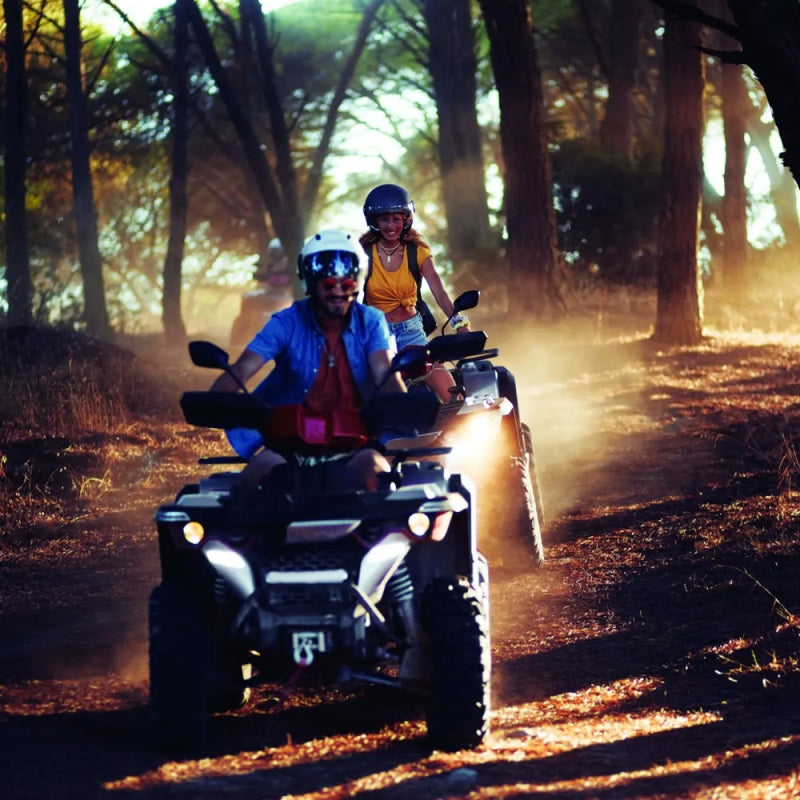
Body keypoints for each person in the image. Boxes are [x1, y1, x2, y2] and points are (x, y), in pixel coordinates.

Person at [211, 229, 405, 491]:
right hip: (287, 442)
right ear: (310, 283)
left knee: (381, 482)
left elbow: (384, 371)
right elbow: (243, 368)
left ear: (357, 282)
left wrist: (403, 403)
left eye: (346, 283)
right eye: (328, 284)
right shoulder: (285, 322)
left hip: (356, 442)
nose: (338, 291)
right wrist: (215, 400)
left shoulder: (371, 321)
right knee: (248, 486)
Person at [359, 183, 470, 402]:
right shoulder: (363, 254)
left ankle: (455, 431)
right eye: (384, 219)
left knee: (450, 391)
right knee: (374, 394)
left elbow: (439, 291)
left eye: (396, 219)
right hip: (377, 335)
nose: (391, 225)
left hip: (412, 332)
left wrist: (460, 324)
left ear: (406, 219)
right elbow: (349, 297)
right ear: (374, 221)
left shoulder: (417, 251)